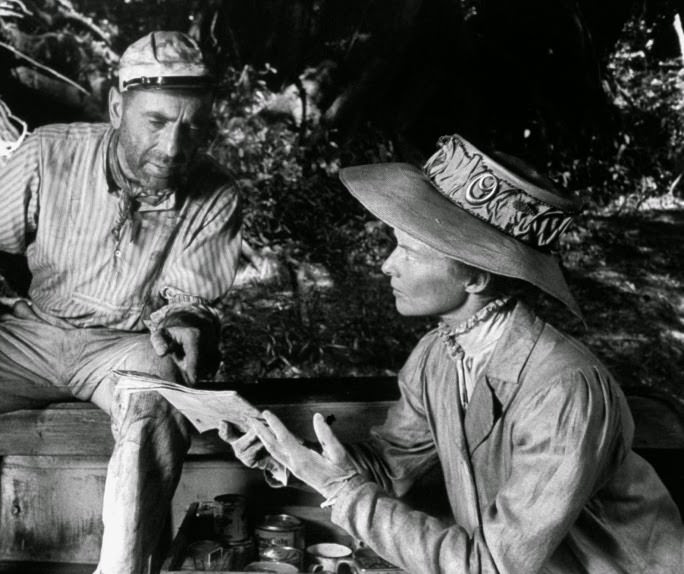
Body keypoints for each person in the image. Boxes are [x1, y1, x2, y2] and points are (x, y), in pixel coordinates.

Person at [0, 31, 241, 574]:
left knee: (161, 387)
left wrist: (190, 324)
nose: (174, 148)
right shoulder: (49, 153)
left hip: (125, 349)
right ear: (117, 107)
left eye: (193, 127)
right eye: (157, 122)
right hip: (33, 337)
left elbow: (186, 300)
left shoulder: (215, 193)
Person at [221, 135, 683, 573]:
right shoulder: (437, 356)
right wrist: (288, 457)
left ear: (476, 279)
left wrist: (344, 491)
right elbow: (389, 468)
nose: (387, 264)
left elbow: (494, 564)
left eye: (409, 250)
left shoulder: (564, 391)